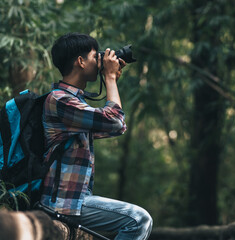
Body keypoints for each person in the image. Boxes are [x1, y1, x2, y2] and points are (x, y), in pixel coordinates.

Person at [40, 32, 153, 240]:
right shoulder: (59, 100)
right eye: (95, 56)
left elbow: (117, 126)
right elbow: (115, 120)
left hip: (74, 200)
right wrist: (110, 79)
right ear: (80, 62)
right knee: (138, 219)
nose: (100, 60)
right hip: (62, 203)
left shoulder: (74, 102)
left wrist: (111, 80)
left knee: (136, 220)